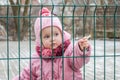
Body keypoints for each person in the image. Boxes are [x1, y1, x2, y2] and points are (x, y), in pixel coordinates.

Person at [13, 7, 91, 80]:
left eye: (56, 34)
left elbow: (78, 62)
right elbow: (26, 75)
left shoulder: (69, 50)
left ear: (62, 34)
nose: (52, 39)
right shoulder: (37, 58)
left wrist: (81, 49)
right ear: (40, 40)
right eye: (47, 36)